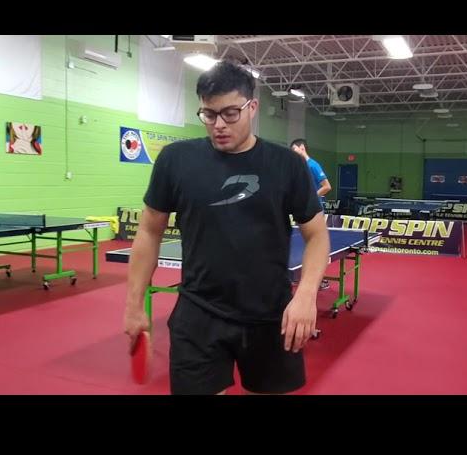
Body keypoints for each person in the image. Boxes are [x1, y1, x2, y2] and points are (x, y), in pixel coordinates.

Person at [123, 60, 330, 395]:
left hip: (270, 315)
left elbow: (317, 234)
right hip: (198, 315)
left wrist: (305, 296)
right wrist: (133, 305)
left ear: (253, 107)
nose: (218, 124)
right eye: (208, 114)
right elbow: (149, 231)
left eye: (230, 113)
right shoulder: (175, 160)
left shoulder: (288, 165)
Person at [290, 138, 332, 290]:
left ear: (302, 148)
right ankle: (300, 276)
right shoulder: (299, 166)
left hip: (315, 212)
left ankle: (317, 280)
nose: (293, 153)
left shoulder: (313, 165)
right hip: (301, 210)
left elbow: (327, 186)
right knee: (301, 246)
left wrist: (311, 196)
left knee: (314, 246)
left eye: (294, 149)